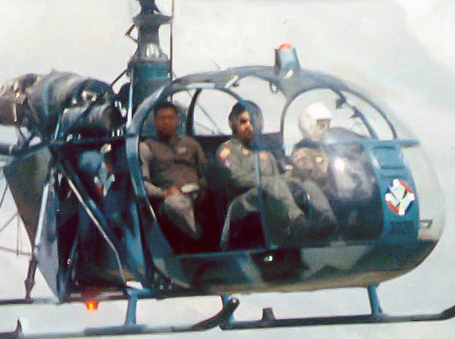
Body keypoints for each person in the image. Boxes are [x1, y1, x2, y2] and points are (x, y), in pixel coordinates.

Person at [214, 102, 309, 248]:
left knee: (302, 184)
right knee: (273, 185)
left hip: (268, 198)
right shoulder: (228, 150)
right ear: (234, 124)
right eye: (243, 121)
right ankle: (298, 221)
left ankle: (323, 223)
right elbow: (235, 179)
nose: (249, 126)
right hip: (240, 204)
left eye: (252, 121)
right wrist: (266, 182)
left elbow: (278, 179)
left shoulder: (264, 152)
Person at [139, 100, 207, 241]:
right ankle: (200, 240)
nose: (166, 122)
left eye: (170, 118)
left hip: (196, 193)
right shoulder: (147, 147)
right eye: (162, 118)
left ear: (178, 120)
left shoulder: (191, 144)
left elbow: (205, 171)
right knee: (175, 204)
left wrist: (204, 188)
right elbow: (143, 185)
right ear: (155, 121)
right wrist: (164, 193)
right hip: (170, 198)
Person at [288, 103, 338, 239]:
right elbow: (307, 173)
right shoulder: (302, 149)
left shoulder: (327, 148)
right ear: (308, 125)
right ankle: (327, 219)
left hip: (325, 186)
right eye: (321, 126)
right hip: (307, 187)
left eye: (328, 126)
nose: (326, 130)